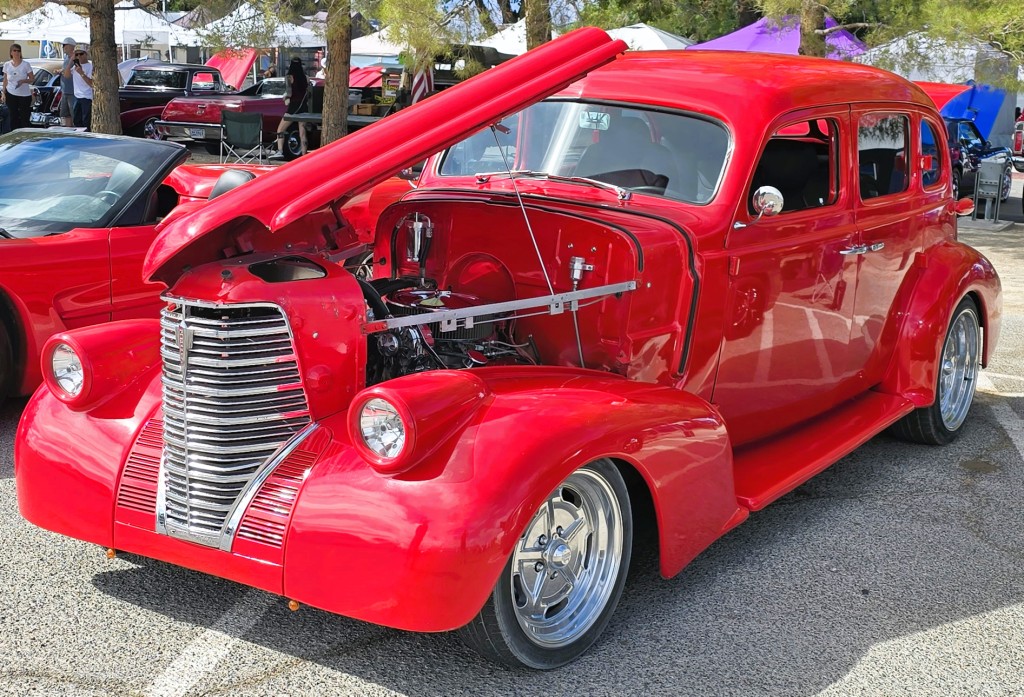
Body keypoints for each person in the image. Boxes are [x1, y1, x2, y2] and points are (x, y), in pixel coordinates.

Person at [275, 57, 309, 156]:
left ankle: (280, 151)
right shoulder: (306, 77)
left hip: (293, 107)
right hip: (303, 107)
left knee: (280, 130)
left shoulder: (289, 77)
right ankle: (304, 153)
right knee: (302, 133)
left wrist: (285, 97)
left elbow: (289, 93)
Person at [2, 43, 35, 131]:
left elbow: (32, 79)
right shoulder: (7, 64)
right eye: (14, 51)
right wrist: (3, 93)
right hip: (11, 93)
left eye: (18, 51)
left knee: (24, 117)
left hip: (24, 95)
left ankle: (25, 134)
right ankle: (14, 134)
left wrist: (23, 81)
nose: (17, 53)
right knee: (13, 116)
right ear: (11, 52)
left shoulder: (25, 64)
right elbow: (5, 80)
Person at [64, 46, 93, 130]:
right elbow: (66, 75)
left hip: (87, 97)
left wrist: (81, 73)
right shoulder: (75, 67)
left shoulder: (91, 66)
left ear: (86, 54)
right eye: (76, 55)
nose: (79, 56)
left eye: (81, 54)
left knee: (86, 122)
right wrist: (71, 60)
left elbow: (92, 84)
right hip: (77, 97)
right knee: (77, 121)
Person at [59, 37, 78, 127]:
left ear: (71, 46)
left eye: (65, 45)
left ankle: (76, 131)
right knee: (65, 114)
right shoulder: (66, 58)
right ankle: (68, 131)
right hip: (65, 90)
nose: (63, 47)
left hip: (72, 91)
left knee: (74, 114)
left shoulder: (76, 59)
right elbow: (66, 70)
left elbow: (70, 73)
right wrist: (60, 71)